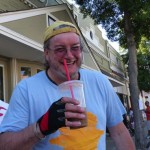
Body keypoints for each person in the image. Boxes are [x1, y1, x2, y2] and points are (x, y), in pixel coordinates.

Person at [0, 21, 135, 150]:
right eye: (60, 49)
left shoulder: (100, 81)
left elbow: (119, 133)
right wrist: (40, 128)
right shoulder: (26, 89)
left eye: (75, 48)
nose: (69, 56)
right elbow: (4, 145)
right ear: (46, 54)